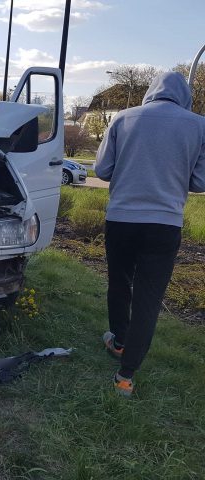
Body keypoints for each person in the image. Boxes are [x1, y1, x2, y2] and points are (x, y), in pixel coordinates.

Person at [94, 71, 205, 397]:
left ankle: (120, 341)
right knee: (148, 298)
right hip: (165, 223)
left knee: (119, 282)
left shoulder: (123, 119)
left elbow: (101, 170)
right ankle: (126, 376)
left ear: (151, 92)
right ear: (184, 96)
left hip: (122, 218)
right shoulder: (199, 125)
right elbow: (200, 182)